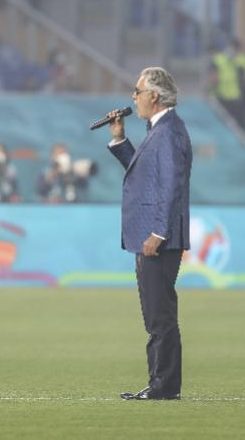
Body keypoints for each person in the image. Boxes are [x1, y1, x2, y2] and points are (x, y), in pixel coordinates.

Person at [106, 67, 192, 401]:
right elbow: (144, 175)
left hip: (158, 238)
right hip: (153, 234)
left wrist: (159, 232)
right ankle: (160, 382)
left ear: (154, 96)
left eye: (137, 91)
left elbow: (171, 187)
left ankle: (164, 385)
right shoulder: (160, 129)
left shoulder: (168, 132)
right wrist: (119, 139)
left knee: (159, 315)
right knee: (156, 313)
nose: (133, 97)